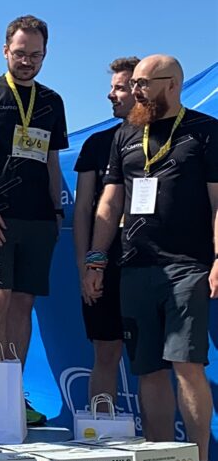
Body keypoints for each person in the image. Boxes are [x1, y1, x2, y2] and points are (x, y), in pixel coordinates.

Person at [84, 54, 218, 461]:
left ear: (171, 84)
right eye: (133, 84)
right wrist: (96, 260)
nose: (135, 91)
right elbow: (109, 204)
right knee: (148, 369)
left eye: (143, 83)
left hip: (187, 266)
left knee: (187, 364)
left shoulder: (205, 131)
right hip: (135, 266)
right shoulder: (125, 134)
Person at [0, 14, 68, 426]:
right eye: (21, 53)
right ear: (6, 50)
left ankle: (12, 394)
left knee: (23, 302)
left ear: (45, 55)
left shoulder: (52, 101)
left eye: (35, 55)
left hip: (38, 218)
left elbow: (52, 160)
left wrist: (56, 210)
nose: (27, 61)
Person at [72, 56, 139, 403]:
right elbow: (83, 209)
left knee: (154, 360)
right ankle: (100, 430)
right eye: (111, 87)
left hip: (150, 262)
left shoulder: (166, 138)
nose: (111, 95)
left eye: (119, 88)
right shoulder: (96, 144)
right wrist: (86, 265)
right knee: (106, 351)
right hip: (104, 263)